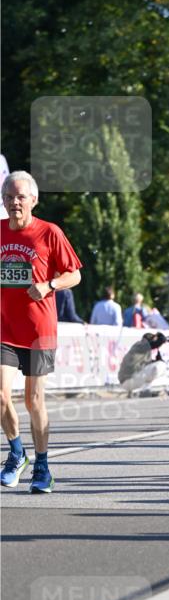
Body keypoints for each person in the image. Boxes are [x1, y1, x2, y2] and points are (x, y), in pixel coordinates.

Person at [1, 171, 82, 493]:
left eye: (20, 196)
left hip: (38, 330)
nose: (14, 202)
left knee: (34, 401)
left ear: (33, 200)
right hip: (4, 327)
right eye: (8, 196)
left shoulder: (49, 232)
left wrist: (49, 284)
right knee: (1, 395)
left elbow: (74, 275)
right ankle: (17, 452)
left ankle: (43, 465)